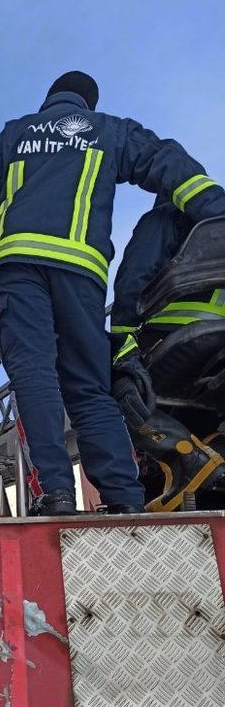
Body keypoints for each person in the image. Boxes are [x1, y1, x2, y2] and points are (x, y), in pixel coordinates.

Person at [0, 70, 225, 515]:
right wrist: (216, 213)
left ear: (50, 99)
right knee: (89, 388)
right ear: (88, 105)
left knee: (36, 376)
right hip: (82, 274)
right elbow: (167, 162)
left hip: (16, 270)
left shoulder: (12, 136)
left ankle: (57, 493)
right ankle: (125, 498)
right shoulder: (110, 131)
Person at [111, 192, 225, 510]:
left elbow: (134, 279)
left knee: (102, 373)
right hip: (218, 345)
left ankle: (184, 456)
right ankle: (212, 455)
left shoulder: (163, 218)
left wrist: (122, 339)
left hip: (182, 333)